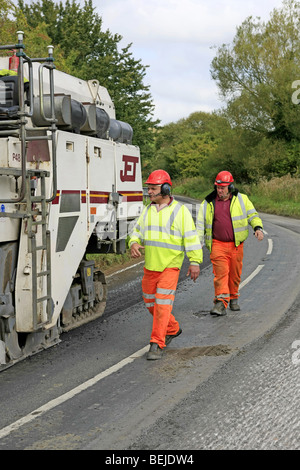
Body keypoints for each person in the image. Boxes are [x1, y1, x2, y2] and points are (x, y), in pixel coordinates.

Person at [129, 169, 203, 360]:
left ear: (165, 188)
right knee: (150, 303)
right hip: (151, 267)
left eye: (153, 189)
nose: (149, 192)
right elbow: (136, 231)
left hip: (170, 267)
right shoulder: (147, 210)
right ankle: (173, 328)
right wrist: (134, 242)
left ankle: (156, 343)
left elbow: (192, 238)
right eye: (148, 189)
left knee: (162, 305)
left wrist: (194, 261)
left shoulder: (181, 212)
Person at [197, 170, 264, 316]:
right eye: (218, 187)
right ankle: (220, 303)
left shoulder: (242, 199)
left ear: (230, 187)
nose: (220, 190)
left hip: (236, 245)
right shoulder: (208, 203)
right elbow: (200, 226)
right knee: (221, 274)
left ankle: (233, 297)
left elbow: (253, 215)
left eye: (223, 188)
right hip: (217, 245)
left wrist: (258, 228)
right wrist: (197, 245)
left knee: (234, 274)